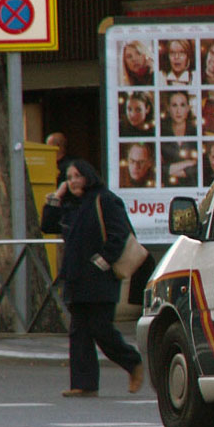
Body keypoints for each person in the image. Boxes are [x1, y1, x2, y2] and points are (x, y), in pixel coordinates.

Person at [41, 159, 145, 398]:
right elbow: (47, 226)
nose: (73, 181)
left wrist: (104, 260)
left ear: (88, 176)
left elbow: (120, 233)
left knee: (100, 328)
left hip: (100, 277)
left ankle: (133, 363)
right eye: (69, 177)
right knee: (79, 332)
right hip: (76, 277)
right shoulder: (70, 205)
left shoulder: (105, 200)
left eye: (77, 175)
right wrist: (57, 195)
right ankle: (84, 384)